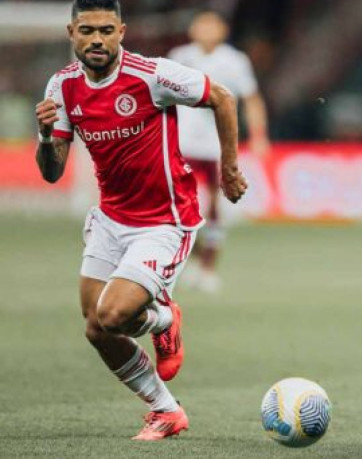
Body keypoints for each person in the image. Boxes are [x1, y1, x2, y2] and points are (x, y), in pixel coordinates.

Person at [34, 0, 247, 440]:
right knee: (97, 328)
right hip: (111, 219)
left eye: (106, 30)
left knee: (113, 315)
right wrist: (45, 135)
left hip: (164, 222)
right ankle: (166, 409)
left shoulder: (152, 74)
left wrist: (229, 168)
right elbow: (52, 172)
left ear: (122, 32)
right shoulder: (62, 86)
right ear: (72, 33)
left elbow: (222, 97)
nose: (97, 40)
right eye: (87, 30)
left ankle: (163, 320)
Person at [169, 11, 269, 293]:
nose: (207, 30)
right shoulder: (179, 57)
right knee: (177, 206)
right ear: (193, 29)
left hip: (218, 145)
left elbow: (251, 99)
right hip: (183, 143)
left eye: (212, 26)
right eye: (202, 25)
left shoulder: (235, 61)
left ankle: (208, 267)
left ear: (223, 30)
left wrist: (259, 135)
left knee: (215, 206)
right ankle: (192, 256)